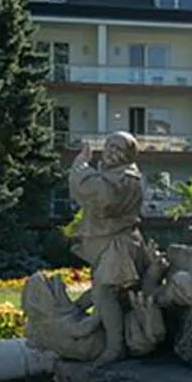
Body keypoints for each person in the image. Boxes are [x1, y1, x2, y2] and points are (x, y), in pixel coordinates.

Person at [69, 133, 148, 363]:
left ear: (129, 153)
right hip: (108, 241)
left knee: (104, 291)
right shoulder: (111, 173)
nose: (111, 151)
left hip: (119, 245)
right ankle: (91, 326)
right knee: (103, 291)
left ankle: (115, 348)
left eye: (118, 147)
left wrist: (81, 166)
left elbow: (102, 198)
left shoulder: (126, 177)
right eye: (109, 145)